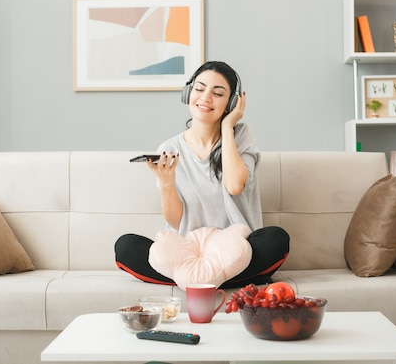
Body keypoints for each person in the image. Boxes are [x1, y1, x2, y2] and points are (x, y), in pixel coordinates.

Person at [115, 61, 290, 289]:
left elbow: (235, 185)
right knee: (125, 246)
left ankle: (191, 280)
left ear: (231, 103)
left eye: (218, 93)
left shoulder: (241, 136)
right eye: (199, 89)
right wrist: (167, 183)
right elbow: (175, 221)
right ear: (188, 93)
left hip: (236, 249)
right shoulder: (169, 147)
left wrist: (227, 128)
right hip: (188, 252)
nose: (205, 98)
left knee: (276, 240)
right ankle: (219, 278)